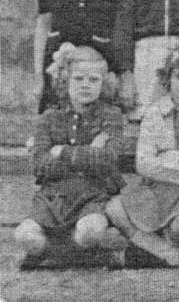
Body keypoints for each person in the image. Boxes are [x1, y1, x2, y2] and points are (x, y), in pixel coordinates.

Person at [105, 45, 179, 267]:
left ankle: (146, 252)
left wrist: (166, 156)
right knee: (115, 208)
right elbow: (143, 163)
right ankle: (165, 252)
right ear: (168, 78)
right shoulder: (155, 111)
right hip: (159, 187)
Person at [16, 45, 127, 270]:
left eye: (93, 79)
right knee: (24, 236)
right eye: (78, 79)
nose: (86, 84)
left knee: (91, 231)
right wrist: (90, 152)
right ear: (65, 81)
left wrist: (62, 151)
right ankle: (81, 255)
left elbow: (107, 160)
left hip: (93, 195)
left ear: (103, 84)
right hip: (53, 196)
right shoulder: (49, 118)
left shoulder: (111, 116)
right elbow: (39, 166)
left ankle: (54, 255)